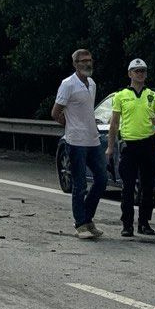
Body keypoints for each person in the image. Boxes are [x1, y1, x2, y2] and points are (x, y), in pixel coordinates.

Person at [108, 58, 155, 237]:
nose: (140, 74)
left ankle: (144, 222)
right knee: (127, 186)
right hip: (129, 144)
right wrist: (110, 147)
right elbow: (114, 123)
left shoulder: (153, 95)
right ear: (130, 74)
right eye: (137, 71)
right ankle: (127, 224)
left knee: (148, 185)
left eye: (143, 71)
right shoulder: (121, 96)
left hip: (148, 143)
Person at [52, 49, 106, 239]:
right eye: (83, 61)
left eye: (89, 60)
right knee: (80, 184)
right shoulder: (68, 84)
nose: (87, 64)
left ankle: (87, 218)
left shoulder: (91, 84)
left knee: (102, 179)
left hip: (93, 139)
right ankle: (80, 224)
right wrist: (70, 126)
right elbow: (55, 112)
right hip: (75, 141)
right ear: (75, 64)